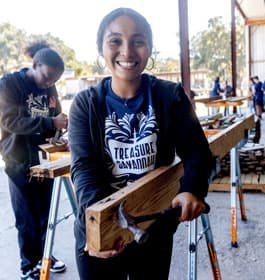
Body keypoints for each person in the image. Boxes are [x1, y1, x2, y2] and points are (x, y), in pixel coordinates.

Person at [68, 8, 212, 280]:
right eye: (115, 41)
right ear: (101, 48)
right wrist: (101, 227)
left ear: (150, 48)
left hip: (152, 228)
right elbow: (83, 169)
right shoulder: (85, 105)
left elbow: (197, 153)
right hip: (101, 236)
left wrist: (192, 189)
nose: (127, 51)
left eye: (138, 40)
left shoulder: (169, 96)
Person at [0, 41, 67, 280]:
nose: (49, 84)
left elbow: (54, 115)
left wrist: (58, 133)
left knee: (44, 214)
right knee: (26, 217)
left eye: (54, 81)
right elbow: (11, 122)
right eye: (47, 77)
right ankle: (28, 266)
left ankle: (45, 255)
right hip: (18, 160)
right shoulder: (9, 85)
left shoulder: (49, 87)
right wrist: (51, 123)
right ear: (35, 65)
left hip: (43, 159)